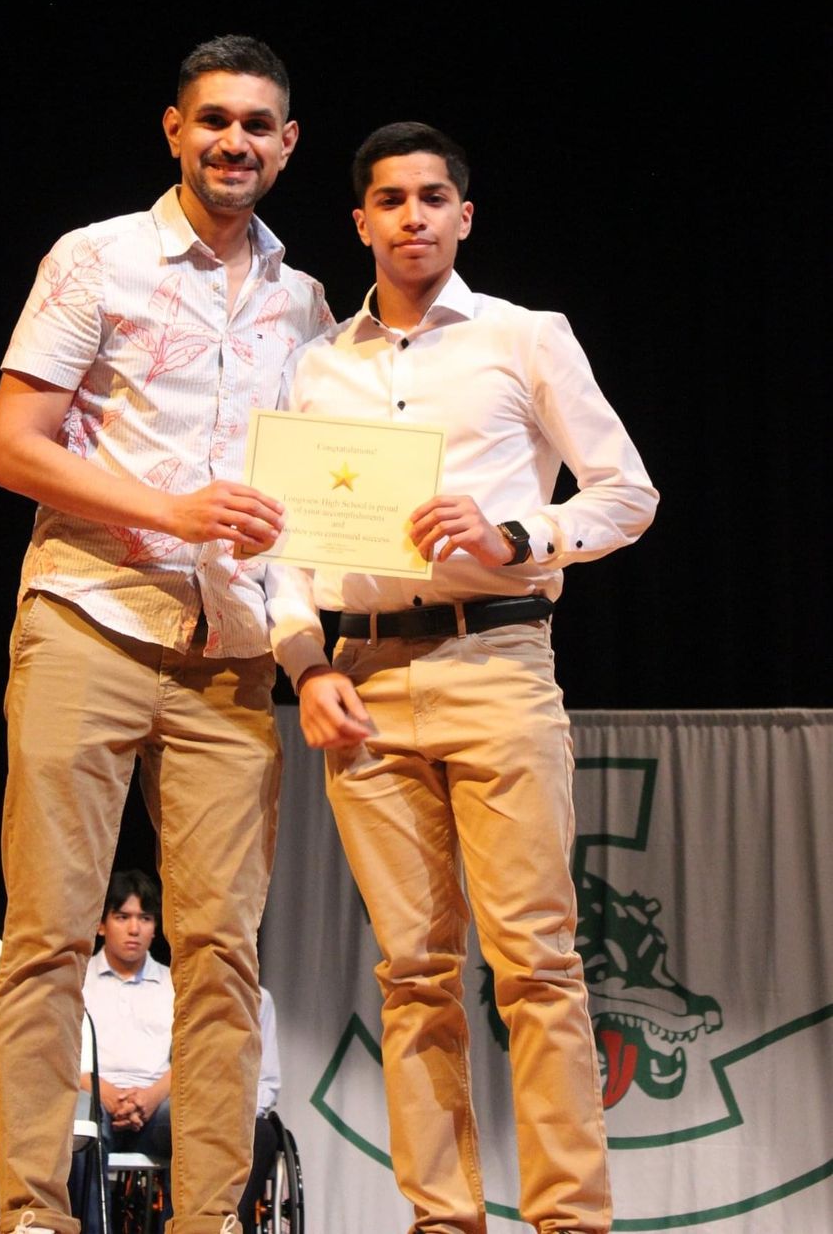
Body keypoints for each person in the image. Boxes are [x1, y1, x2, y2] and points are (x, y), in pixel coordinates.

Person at [267, 122, 659, 1234]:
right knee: (412, 976)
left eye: (433, 197)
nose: (412, 217)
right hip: (362, 677)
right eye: (389, 200)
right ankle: (441, 1221)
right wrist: (302, 663)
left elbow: (626, 495)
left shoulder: (524, 337)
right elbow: (280, 546)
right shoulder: (316, 366)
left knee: (535, 962)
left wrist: (514, 533)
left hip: (496, 659)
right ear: (360, 222)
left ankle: (571, 1220)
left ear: (464, 215)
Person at [0, 34, 332, 1234]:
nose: (234, 141)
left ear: (287, 147)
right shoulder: (96, 259)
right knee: (46, 934)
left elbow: (313, 502)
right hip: (90, 614)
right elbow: (12, 447)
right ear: (174, 131)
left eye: (258, 125)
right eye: (213, 120)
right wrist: (170, 511)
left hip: (230, 652)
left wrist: (310, 646)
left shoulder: (307, 303)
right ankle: (34, 1214)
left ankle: (209, 1220)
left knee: (224, 952)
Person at [71, 871, 280, 1234]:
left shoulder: (176, 984)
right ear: (102, 924)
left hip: (157, 1103)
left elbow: (192, 1056)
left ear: (156, 927)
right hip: (92, 1094)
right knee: (75, 1117)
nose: (134, 929)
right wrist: (100, 1090)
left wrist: (152, 1096)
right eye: (123, 917)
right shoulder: (77, 981)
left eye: (145, 918)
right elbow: (60, 1056)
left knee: (201, 1119)